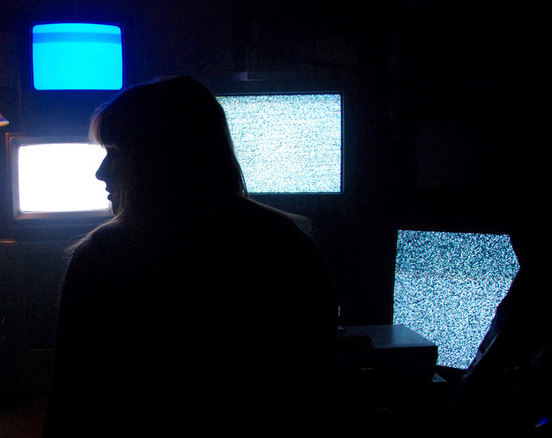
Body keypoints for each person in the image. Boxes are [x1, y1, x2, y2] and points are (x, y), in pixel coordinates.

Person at [43, 76, 337, 437]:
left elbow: (71, 405)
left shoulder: (101, 258)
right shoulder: (291, 246)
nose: (101, 172)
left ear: (161, 159)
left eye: (116, 152)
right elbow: (316, 391)